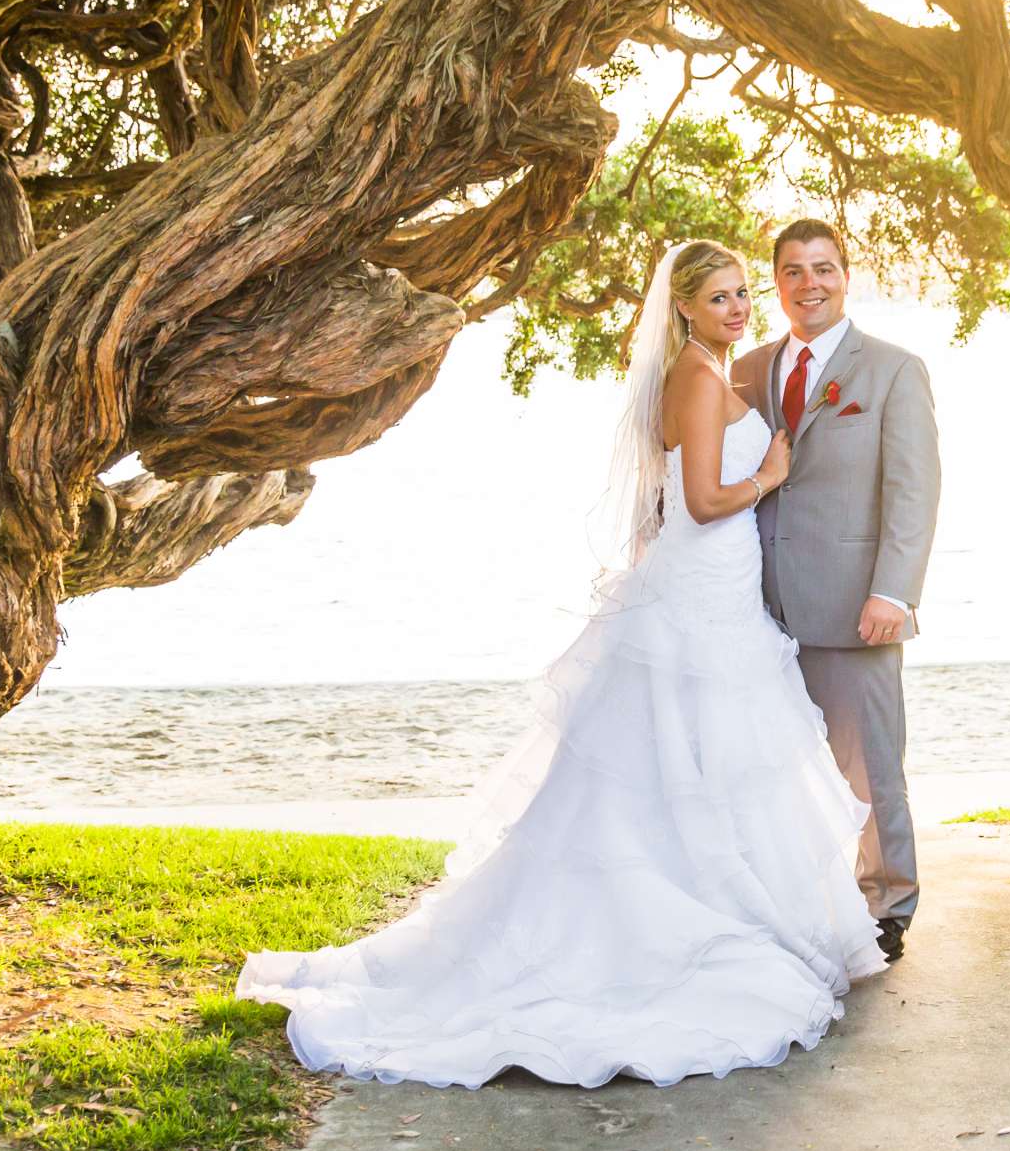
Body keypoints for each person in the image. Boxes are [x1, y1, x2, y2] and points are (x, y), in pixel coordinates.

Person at [235, 239, 887, 1089]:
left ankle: (727, 901)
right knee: (695, 754)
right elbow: (699, 501)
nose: (738, 310)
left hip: (715, 590)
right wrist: (768, 472)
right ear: (684, 306)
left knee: (704, 758)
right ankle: (681, 921)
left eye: (740, 296)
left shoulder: (704, 373)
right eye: (721, 297)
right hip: (702, 588)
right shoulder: (695, 378)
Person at [732, 219, 942, 963]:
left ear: (846, 276)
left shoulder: (891, 370)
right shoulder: (747, 369)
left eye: (823, 268)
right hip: (754, 609)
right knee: (767, 766)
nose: (809, 284)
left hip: (857, 607)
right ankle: (797, 903)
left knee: (868, 765)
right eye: (793, 271)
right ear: (777, 283)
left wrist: (895, 591)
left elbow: (913, 492)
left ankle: (888, 903)